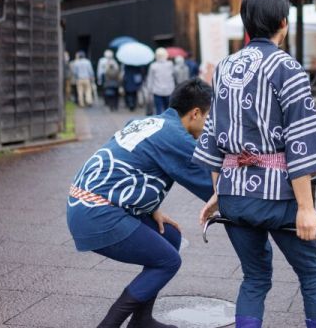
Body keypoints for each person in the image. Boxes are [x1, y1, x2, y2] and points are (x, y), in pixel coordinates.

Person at [194, 0, 316, 328]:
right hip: (277, 197)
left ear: (247, 24)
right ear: (283, 23)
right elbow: (299, 140)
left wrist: (218, 193)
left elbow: (213, 135)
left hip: (233, 195)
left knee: (255, 278)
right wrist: (306, 207)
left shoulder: (224, 67)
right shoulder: (288, 67)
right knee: (314, 277)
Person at [67, 79, 215, 328]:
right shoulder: (177, 138)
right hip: (98, 213)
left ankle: (142, 320)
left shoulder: (148, 122)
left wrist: (152, 208)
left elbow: (132, 162)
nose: (210, 125)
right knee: (168, 261)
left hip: (85, 204)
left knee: (170, 238)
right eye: (209, 117)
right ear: (196, 113)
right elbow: (212, 186)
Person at [146, 48, 175, 115]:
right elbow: (173, 76)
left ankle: (160, 124)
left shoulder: (153, 66)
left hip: (157, 91)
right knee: (168, 110)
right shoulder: (170, 64)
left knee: (158, 110)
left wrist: (149, 91)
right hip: (169, 90)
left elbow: (150, 79)